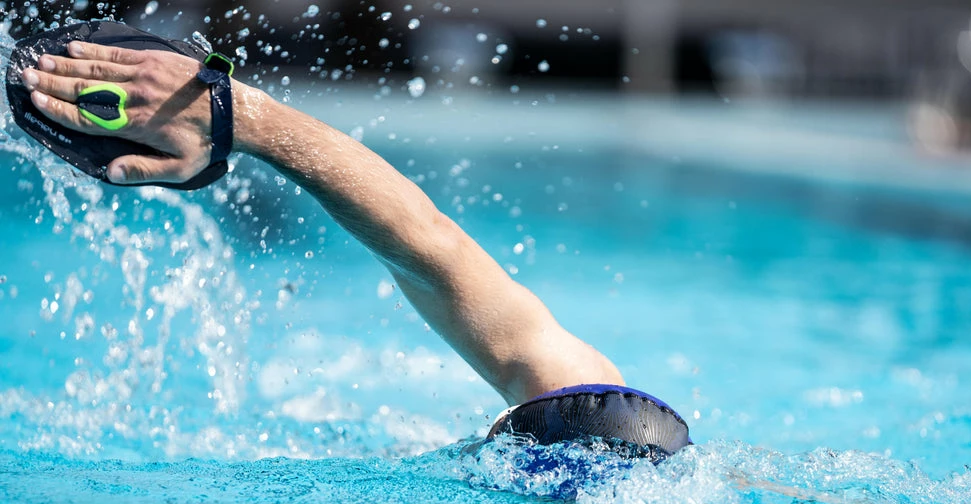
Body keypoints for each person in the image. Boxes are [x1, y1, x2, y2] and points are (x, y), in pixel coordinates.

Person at [19, 33, 690, 457]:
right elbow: (434, 251)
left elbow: (435, 249)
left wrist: (244, 119)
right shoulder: (602, 440)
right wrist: (239, 116)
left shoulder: (601, 438)